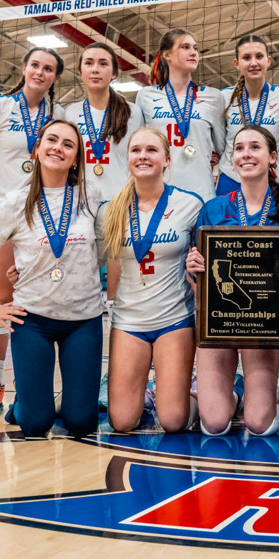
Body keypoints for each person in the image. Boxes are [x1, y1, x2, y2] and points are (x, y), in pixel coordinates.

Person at [0, 120, 104, 437]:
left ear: (77, 157)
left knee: (82, 423)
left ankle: (51, 400)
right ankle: (24, 404)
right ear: (36, 150)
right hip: (33, 320)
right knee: (35, 425)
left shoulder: (91, 196)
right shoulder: (15, 201)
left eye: (68, 144)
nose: (58, 147)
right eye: (51, 140)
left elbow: (104, 249)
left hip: (83, 320)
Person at [186, 125, 279, 437]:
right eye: (239, 148)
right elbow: (198, 281)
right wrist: (194, 267)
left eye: (255, 147)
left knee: (259, 423)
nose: (246, 154)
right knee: (213, 424)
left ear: (272, 158)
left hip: (263, 322)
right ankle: (235, 392)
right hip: (220, 320)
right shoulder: (213, 209)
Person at [0, 46, 64, 416]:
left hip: (45, 217)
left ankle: (36, 390)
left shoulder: (58, 115)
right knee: (1, 299)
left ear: (55, 77)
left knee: (45, 303)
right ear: (24, 68)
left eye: (48, 69)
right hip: (3, 216)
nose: (40, 72)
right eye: (35, 65)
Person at [98, 127, 204, 433]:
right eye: (136, 150)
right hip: (128, 322)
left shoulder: (190, 204)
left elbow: (206, 263)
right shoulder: (110, 210)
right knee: (122, 422)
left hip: (175, 320)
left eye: (152, 150)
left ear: (167, 159)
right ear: (128, 159)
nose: (143, 156)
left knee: (172, 421)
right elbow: (89, 258)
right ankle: (145, 397)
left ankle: (209, 396)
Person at [137, 29, 226, 202]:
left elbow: (222, 146)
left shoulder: (213, 96)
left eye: (195, 48)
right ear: (167, 55)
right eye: (185, 47)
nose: (193, 52)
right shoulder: (146, 96)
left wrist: (207, 152)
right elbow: (139, 145)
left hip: (202, 192)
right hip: (159, 190)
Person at [216, 35, 279, 196]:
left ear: (268, 60)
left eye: (259, 56)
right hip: (231, 179)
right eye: (246, 57)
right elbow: (218, 143)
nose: (253, 63)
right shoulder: (223, 97)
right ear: (237, 64)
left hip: (270, 180)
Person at [66, 42, 145, 200]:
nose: (95, 69)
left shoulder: (133, 112)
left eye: (103, 63)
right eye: (88, 63)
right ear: (80, 71)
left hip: (121, 203)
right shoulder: (70, 113)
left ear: (114, 73)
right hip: (81, 204)